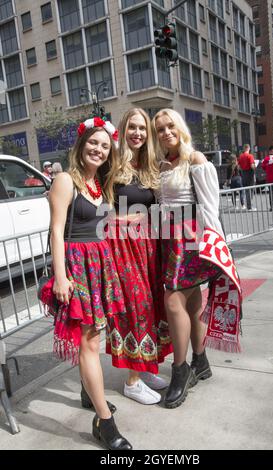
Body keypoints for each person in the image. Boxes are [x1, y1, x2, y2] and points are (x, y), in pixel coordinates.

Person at [43, 117, 132, 450]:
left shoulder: (101, 183)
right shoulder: (66, 180)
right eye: (93, 143)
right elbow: (56, 229)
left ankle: (88, 393)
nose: (99, 149)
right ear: (81, 145)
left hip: (98, 266)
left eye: (105, 146)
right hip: (76, 269)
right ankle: (105, 423)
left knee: (93, 337)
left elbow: (100, 220)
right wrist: (62, 277)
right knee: (89, 343)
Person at [152, 109, 242, 409]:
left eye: (170, 126)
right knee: (191, 304)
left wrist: (217, 247)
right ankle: (200, 361)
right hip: (168, 238)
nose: (166, 132)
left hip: (191, 240)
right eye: (160, 129)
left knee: (174, 301)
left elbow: (209, 207)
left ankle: (181, 371)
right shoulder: (162, 163)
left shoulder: (196, 159)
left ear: (180, 127)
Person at [105, 108, 172, 405]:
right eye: (132, 127)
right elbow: (99, 205)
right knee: (136, 308)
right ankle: (132, 382)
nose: (137, 133)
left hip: (148, 247)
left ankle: (145, 368)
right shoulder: (111, 163)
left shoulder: (149, 166)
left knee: (153, 306)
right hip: (122, 248)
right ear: (123, 128)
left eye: (142, 128)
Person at [238, 144, 256, 211]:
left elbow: (239, 167)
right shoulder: (250, 156)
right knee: (250, 191)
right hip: (250, 174)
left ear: (244, 148)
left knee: (247, 191)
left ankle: (249, 206)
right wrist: (255, 166)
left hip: (243, 174)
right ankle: (250, 206)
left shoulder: (241, 156)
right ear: (249, 148)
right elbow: (252, 166)